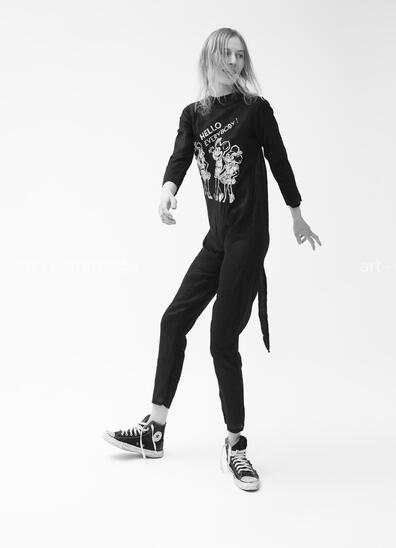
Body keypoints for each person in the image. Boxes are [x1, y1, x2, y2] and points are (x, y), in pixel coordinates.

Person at [103, 27, 321, 492]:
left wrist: (296, 214)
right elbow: (180, 156)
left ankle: (236, 445)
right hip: (217, 241)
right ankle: (154, 429)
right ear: (210, 59)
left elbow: (280, 161)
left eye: (241, 55)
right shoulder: (194, 114)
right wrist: (167, 190)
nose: (236, 62)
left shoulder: (255, 110)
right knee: (173, 321)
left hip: (248, 240)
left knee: (222, 339)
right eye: (228, 55)